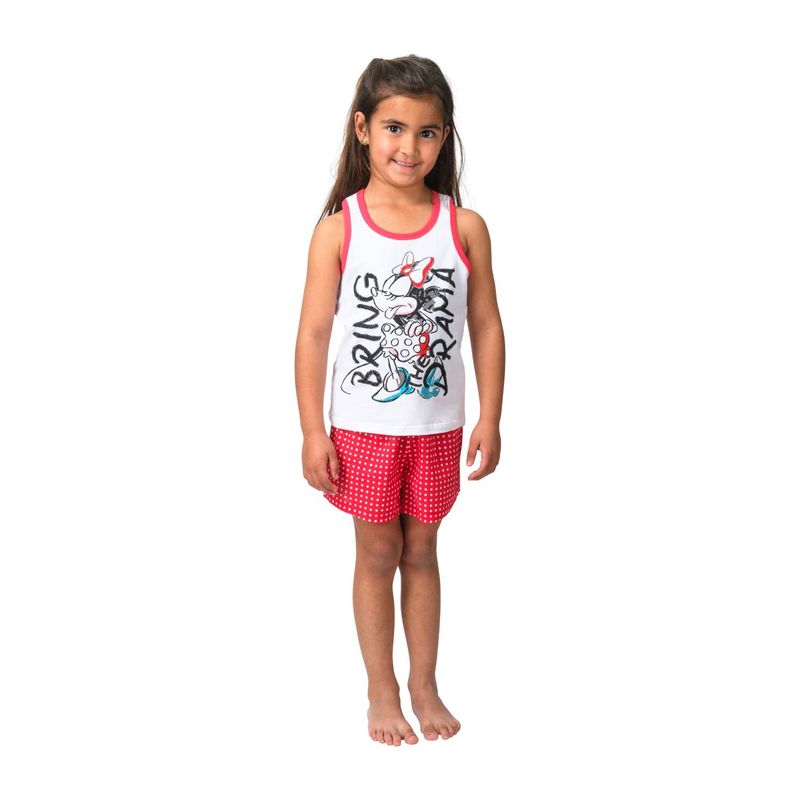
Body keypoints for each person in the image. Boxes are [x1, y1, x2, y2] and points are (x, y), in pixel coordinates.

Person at [294, 55, 505, 746]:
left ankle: (424, 683)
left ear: (444, 138)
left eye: (427, 132)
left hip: (437, 426)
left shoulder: (463, 227)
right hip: (362, 427)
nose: (408, 147)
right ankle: (381, 690)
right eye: (393, 128)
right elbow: (314, 334)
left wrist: (491, 416)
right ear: (362, 129)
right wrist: (313, 431)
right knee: (377, 552)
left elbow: (485, 324)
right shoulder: (339, 229)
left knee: (422, 551)